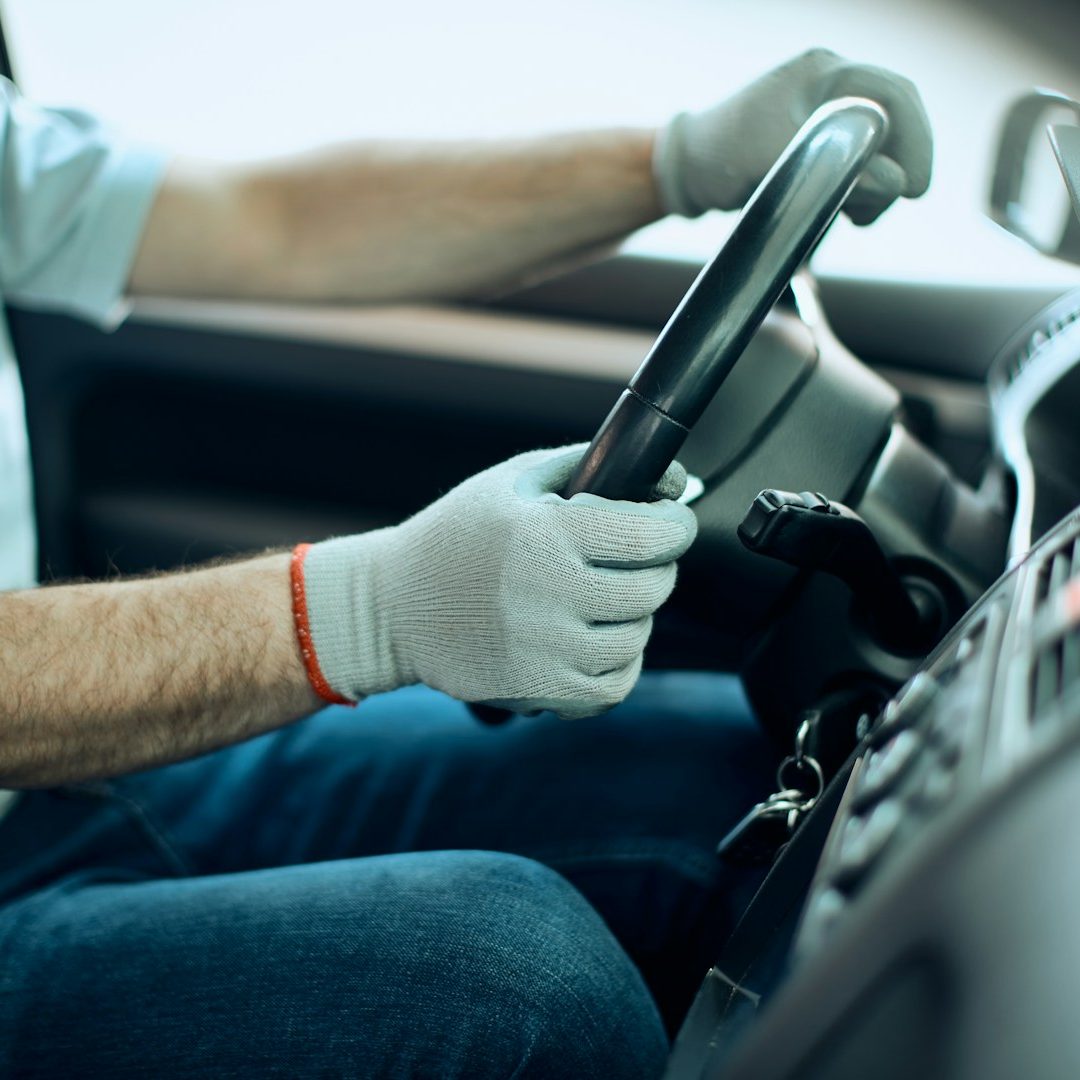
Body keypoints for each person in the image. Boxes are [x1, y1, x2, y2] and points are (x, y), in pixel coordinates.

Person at [0, 48, 932, 1078]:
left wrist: (677, 161)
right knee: (522, 983)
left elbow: (269, 219)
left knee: (741, 774)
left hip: (59, 780)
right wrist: (373, 610)